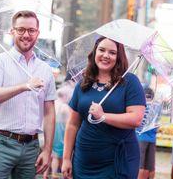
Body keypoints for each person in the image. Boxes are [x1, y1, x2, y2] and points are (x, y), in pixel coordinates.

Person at [0, 10, 56, 179]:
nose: (26, 35)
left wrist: (47, 149)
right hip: (1, 143)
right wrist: (24, 86)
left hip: (31, 147)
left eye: (31, 30)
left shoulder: (45, 69)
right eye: (21, 30)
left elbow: (49, 112)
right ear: (12, 31)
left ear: (38, 33)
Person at [61, 36, 146, 179]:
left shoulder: (129, 82)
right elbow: (73, 124)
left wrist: (103, 116)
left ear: (118, 57)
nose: (106, 55)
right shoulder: (83, 83)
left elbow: (136, 119)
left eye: (112, 53)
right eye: (102, 50)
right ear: (95, 52)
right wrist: (66, 159)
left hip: (118, 160)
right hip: (83, 161)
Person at [137, 88, 157, 179]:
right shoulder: (156, 108)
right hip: (152, 139)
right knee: (150, 167)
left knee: (140, 166)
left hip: (140, 138)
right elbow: (157, 125)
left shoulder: (140, 106)